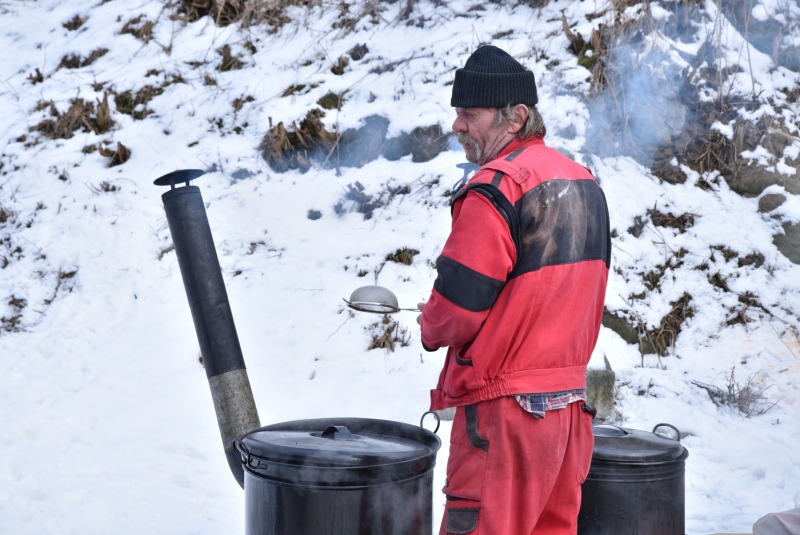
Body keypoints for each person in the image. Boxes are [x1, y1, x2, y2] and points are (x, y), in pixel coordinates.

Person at [417, 45, 611, 535]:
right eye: (458, 113)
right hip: (568, 415)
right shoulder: (583, 182)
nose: (458, 125)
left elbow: (455, 312)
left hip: (505, 419)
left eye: (470, 114)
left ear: (516, 116)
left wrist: (430, 320)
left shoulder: (495, 188)